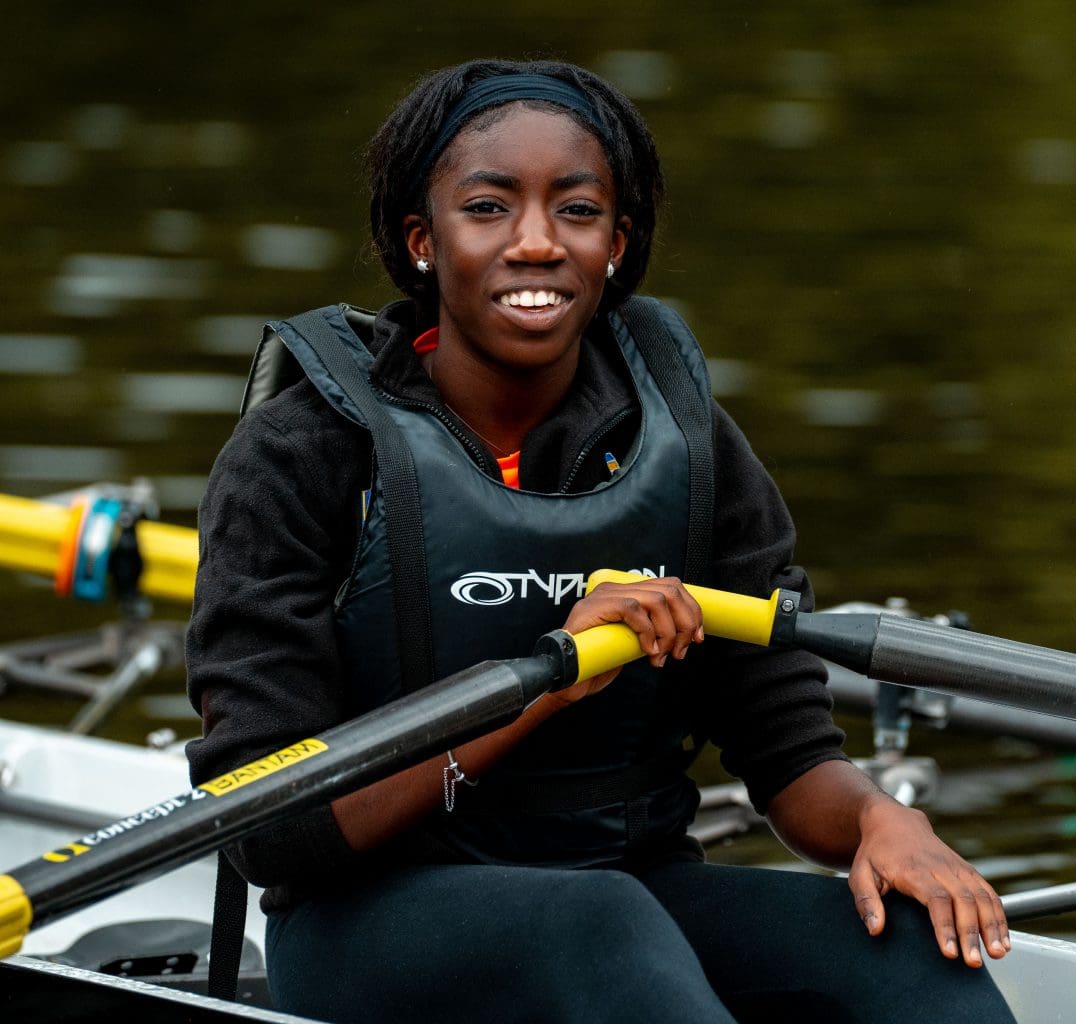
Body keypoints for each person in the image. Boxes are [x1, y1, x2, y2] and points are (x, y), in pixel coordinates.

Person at [186, 58, 1013, 1023]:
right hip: (366, 923)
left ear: (616, 245)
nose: (537, 243)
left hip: (631, 893)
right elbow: (268, 830)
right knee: (599, 922)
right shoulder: (300, 456)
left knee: (908, 947)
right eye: (488, 208)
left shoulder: (688, 444)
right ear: (422, 240)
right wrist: (549, 683)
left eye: (576, 212)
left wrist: (881, 817)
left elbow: (786, 749)